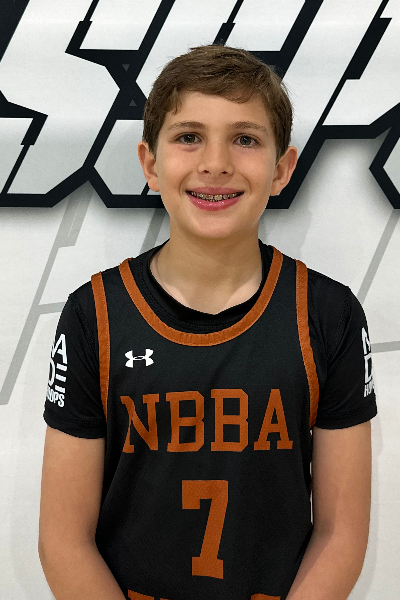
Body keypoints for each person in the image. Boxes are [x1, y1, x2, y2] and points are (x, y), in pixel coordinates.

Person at [38, 44, 377, 600]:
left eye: (245, 139)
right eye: (189, 136)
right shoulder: (93, 315)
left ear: (282, 168)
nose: (215, 163)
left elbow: (341, 534)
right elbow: (63, 539)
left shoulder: (328, 315)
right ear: (150, 164)